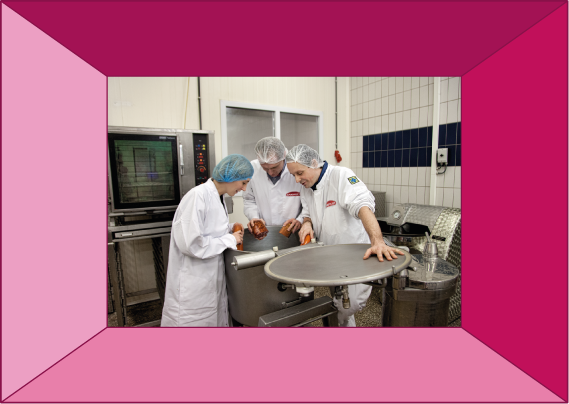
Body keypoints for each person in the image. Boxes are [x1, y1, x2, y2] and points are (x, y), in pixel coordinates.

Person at [285, 144, 404, 327]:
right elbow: (307, 212)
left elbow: (363, 207)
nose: (296, 179)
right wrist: (307, 223)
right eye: (293, 175)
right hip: (330, 258)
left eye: (299, 173)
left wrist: (377, 242)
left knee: (350, 304)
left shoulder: (341, 176)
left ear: (314, 163)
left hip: (355, 257)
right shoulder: (306, 187)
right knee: (341, 300)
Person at [161, 154, 254, 327]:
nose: (244, 188)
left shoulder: (218, 196)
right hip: (194, 284)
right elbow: (192, 244)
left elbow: (210, 228)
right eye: (243, 182)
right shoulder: (197, 196)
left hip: (210, 279)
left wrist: (230, 228)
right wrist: (229, 239)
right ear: (231, 177)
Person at [243, 137, 304, 237]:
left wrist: (300, 219)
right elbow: (249, 200)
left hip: (294, 231)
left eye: (274, 167)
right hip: (265, 232)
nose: (271, 172)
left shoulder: (297, 170)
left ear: (283, 157)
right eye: (265, 168)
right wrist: (254, 217)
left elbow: (308, 203)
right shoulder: (252, 169)